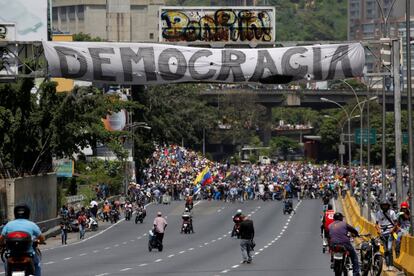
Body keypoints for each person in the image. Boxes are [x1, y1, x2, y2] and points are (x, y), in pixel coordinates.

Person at [0, 204, 45, 276]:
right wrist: (41, 241)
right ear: (28, 213)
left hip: (12, 255)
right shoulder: (32, 224)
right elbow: (42, 238)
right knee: (37, 263)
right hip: (28, 254)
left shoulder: (8, 225)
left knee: (6, 263)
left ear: (15, 213)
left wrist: (2, 244)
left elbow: (1, 238)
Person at [375, 199, 398, 270]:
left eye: (386, 205)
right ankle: (387, 264)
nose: (384, 207)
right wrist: (378, 230)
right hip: (382, 233)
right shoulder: (379, 213)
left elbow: (396, 223)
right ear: (381, 206)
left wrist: (392, 229)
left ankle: (391, 265)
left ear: (388, 206)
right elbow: (376, 224)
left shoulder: (392, 213)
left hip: (390, 233)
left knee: (389, 248)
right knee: (385, 250)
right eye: (383, 205)